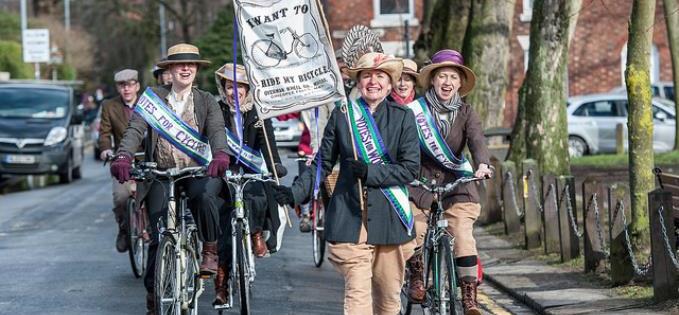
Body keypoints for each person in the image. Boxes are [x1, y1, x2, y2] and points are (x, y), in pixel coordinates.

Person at [273, 52, 420, 315]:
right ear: (358, 82)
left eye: (379, 77)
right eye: (366, 76)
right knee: (357, 297)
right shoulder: (343, 116)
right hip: (351, 216)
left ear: (389, 84)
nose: (372, 82)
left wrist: (369, 171)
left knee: (388, 301)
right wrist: (294, 193)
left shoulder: (403, 116)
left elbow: (410, 169)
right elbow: (322, 164)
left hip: (390, 218)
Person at [109, 43, 230, 315]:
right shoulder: (152, 98)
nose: (185, 68)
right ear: (169, 70)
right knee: (157, 235)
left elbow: (217, 130)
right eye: (179, 64)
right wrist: (123, 156)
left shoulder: (206, 100)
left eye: (191, 64)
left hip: (195, 170)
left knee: (205, 196)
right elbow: (134, 129)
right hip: (161, 173)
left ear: (197, 70)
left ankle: (209, 249)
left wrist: (220, 153)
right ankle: (153, 295)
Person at [406, 49, 492, 315]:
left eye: (453, 77)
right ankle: (418, 277)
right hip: (419, 183)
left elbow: (477, 140)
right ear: (432, 79)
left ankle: (468, 297)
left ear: (459, 83)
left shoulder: (467, 112)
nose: (447, 82)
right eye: (441, 76)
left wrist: (482, 165)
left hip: (457, 185)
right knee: (415, 231)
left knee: (463, 236)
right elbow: (405, 147)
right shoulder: (414, 111)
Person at [212, 63, 287, 305]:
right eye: (229, 87)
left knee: (259, 194)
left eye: (240, 86)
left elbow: (268, 142)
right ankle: (221, 283)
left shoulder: (258, 113)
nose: (234, 92)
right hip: (223, 172)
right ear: (223, 89)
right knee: (222, 222)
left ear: (247, 88)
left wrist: (276, 165)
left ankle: (255, 233)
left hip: (249, 170)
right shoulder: (217, 110)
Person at [98, 69, 141, 252]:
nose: (127, 89)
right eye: (123, 85)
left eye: (130, 84)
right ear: (118, 88)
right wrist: (106, 149)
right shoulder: (109, 106)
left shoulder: (148, 104)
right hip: (121, 159)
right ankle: (124, 229)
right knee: (121, 197)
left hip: (146, 159)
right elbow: (104, 133)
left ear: (137, 86)